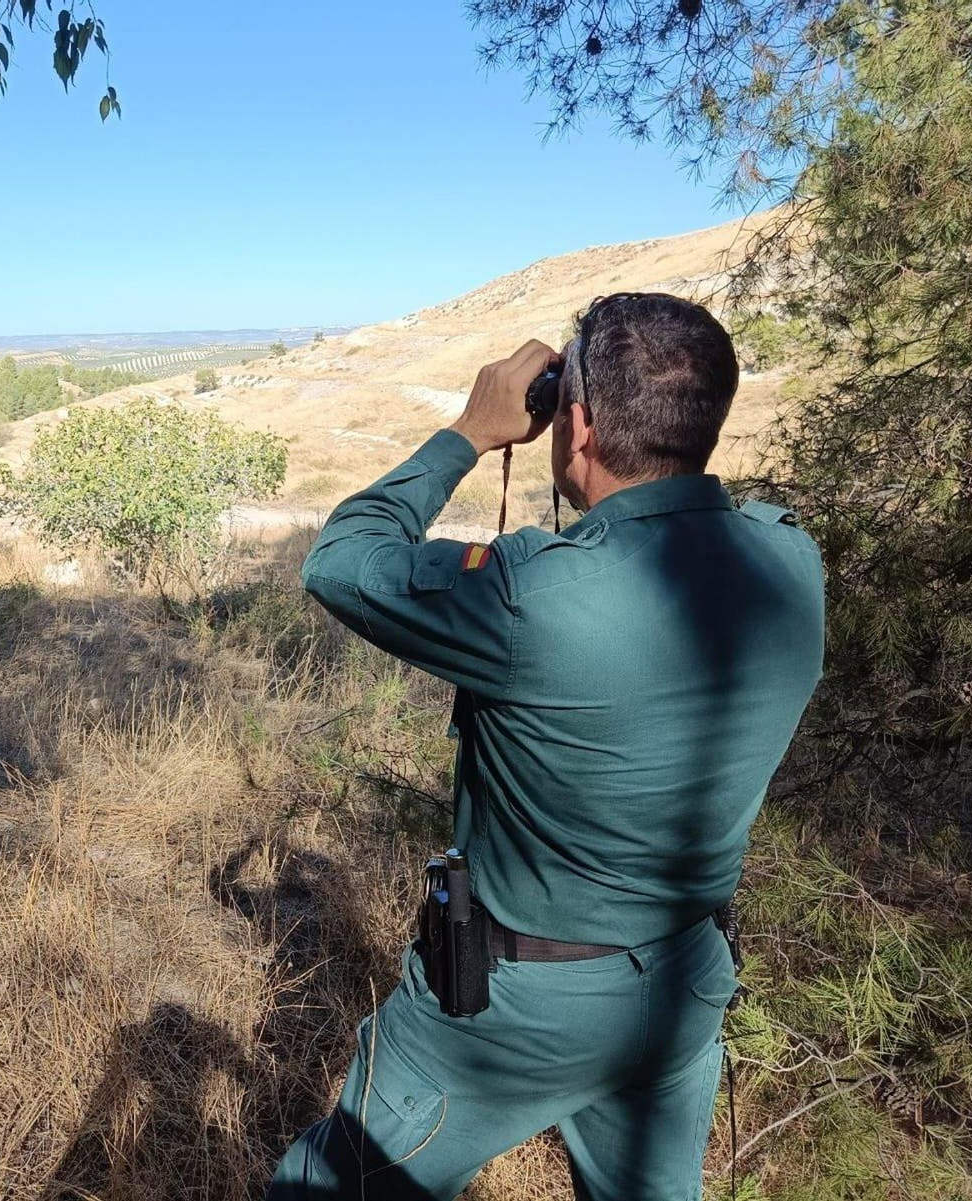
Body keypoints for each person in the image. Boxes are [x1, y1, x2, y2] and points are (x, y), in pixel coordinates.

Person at [266, 293, 824, 1200]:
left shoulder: (533, 597)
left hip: (511, 1007)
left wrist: (469, 433)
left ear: (580, 421)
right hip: (681, 983)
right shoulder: (790, 561)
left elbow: (340, 558)